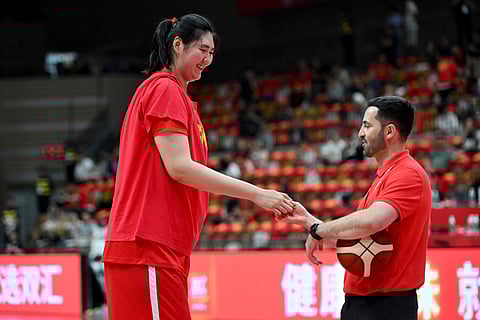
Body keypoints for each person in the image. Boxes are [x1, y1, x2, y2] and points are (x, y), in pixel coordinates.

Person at [103, 14, 294, 320]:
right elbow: (179, 167)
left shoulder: (176, 95)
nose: (208, 59)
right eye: (202, 50)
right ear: (177, 45)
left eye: (212, 53)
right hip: (148, 246)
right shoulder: (164, 89)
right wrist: (257, 194)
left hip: (162, 247)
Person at [278, 96, 431, 320]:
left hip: (387, 305)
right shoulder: (385, 175)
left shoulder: (408, 174)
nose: (360, 133)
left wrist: (319, 230)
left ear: (389, 132)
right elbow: (356, 240)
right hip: (365, 303)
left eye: (367, 125)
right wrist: (308, 221)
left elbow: (372, 221)